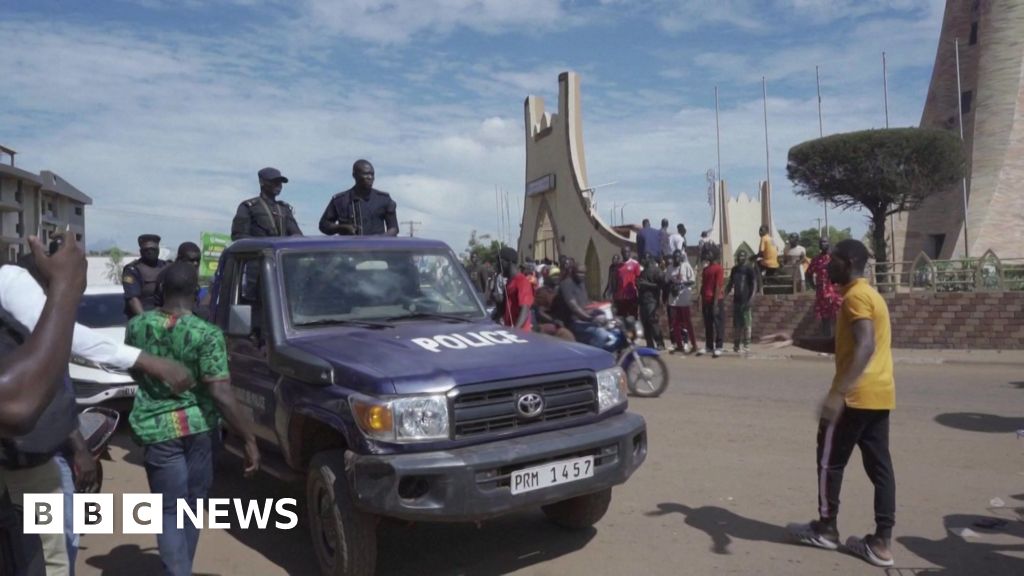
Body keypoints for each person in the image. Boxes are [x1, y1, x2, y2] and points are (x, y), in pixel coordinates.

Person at [1, 234, 195, 576]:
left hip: (41, 462)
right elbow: (20, 404)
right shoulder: (29, 306)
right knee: (52, 558)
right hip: (23, 469)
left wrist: (77, 447)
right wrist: (65, 290)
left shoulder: (46, 336)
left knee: (60, 544)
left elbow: (60, 395)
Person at [126, 262, 260, 576]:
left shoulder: (137, 326)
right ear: (195, 293)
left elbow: (133, 367)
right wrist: (249, 438)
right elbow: (221, 394)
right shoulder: (207, 333)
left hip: (157, 431)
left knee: (170, 510)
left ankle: (178, 570)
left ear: (161, 290)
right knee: (191, 508)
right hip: (199, 430)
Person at [787, 239, 896, 568]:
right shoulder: (869, 295)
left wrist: (838, 393)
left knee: (828, 462)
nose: (825, 265)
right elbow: (842, 345)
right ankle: (881, 543)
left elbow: (864, 347)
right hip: (879, 394)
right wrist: (793, 339)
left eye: (831, 261)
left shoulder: (855, 298)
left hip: (854, 397)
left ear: (847, 263)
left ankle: (826, 529)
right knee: (881, 469)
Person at [319, 160, 399, 236]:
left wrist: (377, 240)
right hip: (348, 248)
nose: (370, 177)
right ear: (354, 175)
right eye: (366, 174)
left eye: (372, 174)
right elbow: (323, 225)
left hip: (376, 248)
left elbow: (394, 229)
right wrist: (342, 228)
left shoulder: (384, 199)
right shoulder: (339, 201)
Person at [231, 167, 303, 240]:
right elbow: (239, 237)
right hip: (258, 251)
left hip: (281, 250)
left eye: (280, 182)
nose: (278, 185)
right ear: (262, 182)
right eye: (274, 182)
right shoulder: (248, 207)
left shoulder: (284, 209)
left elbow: (297, 236)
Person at [552, 264, 614, 349]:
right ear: (573, 272)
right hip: (574, 322)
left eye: (584, 273)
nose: (582, 275)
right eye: (579, 273)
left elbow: (585, 302)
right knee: (601, 334)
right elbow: (574, 308)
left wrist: (599, 306)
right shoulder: (566, 284)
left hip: (584, 318)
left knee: (615, 331)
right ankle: (592, 358)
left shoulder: (582, 284)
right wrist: (591, 319)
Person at [122, 234, 170, 320]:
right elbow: (133, 300)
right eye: (146, 250)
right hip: (142, 318)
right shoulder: (132, 270)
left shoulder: (167, 266)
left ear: (158, 250)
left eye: (153, 249)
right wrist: (145, 321)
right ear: (141, 252)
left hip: (165, 317)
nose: (150, 252)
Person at [808, 238, 843, 337]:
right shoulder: (816, 260)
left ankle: (840, 342)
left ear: (829, 243)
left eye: (824, 241)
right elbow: (808, 274)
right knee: (825, 319)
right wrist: (814, 286)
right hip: (822, 294)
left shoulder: (835, 259)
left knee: (838, 317)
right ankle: (827, 342)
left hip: (835, 293)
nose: (822, 244)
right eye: (820, 242)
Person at [725, 250, 757, 353]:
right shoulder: (735, 269)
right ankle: (736, 345)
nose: (740, 258)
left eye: (742, 256)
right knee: (737, 324)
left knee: (747, 324)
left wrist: (751, 299)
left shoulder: (749, 269)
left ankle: (746, 345)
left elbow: (754, 284)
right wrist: (724, 295)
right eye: (739, 256)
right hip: (736, 301)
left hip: (746, 300)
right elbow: (730, 283)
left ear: (746, 257)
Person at [666, 250, 697, 354]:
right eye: (675, 258)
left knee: (687, 323)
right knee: (675, 323)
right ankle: (679, 345)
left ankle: (694, 345)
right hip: (674, 300)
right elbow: (667, 281)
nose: (676, 260)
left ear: (681, 258)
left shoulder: (686, 266)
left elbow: (692, 280)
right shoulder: (670, 268)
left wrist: (682, 285)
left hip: (684, 299)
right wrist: (672, 287)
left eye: (678, 258)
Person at [496, 247, 533, 331]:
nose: (497, 265)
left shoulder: (521, 281)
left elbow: (525, 309)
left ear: (508, 262)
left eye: (499, 262)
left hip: (521, 334)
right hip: (509, 331)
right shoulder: (509, 282)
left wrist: (515, 332)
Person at [697, 246, 724, 358]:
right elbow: (703, 286)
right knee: (708, 324)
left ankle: (719, 346)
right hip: (706, 300)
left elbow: (718, 286)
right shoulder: (706, 269)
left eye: (710, 253)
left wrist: (715, 303)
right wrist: (700, 300)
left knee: (717, 324)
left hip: (716, 300)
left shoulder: (718, 268)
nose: (707, 255)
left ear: (715, 254)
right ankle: (709, 346)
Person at [637, 253, 666, 350]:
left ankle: (660, 343)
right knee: (645, 324)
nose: (642, 261)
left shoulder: (656, 271)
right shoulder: (642, 272)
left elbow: (661, 285)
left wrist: (647, 284)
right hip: (643, 301)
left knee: (653, 322)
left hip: (652, 301)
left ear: (649, 259)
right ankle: (649, 344)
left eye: (644, 258)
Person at [614, 247, 641, 319]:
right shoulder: (618, 266)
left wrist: (639, 295)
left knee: (632, 317)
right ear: (622, 253)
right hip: (620, 297)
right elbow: (617, 281)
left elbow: (638, 280)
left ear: (630, 252)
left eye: (627, 252)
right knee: (621, 318)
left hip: (631, 296)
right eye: (624, 252)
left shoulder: (635, 264)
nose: (626, 254)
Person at [756, 225, 780, 292]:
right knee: (767, 275)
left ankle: (757, 285)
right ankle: (766, 283)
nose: (760, 232)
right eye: (759, 230)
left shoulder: (764, 238)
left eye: (761, 230)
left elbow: (761, 251)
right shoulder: (771, 239)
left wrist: (754, 257)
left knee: (756, 267)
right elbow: (775, 250)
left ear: (766, 231)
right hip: (775, 264)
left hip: (767, 263)